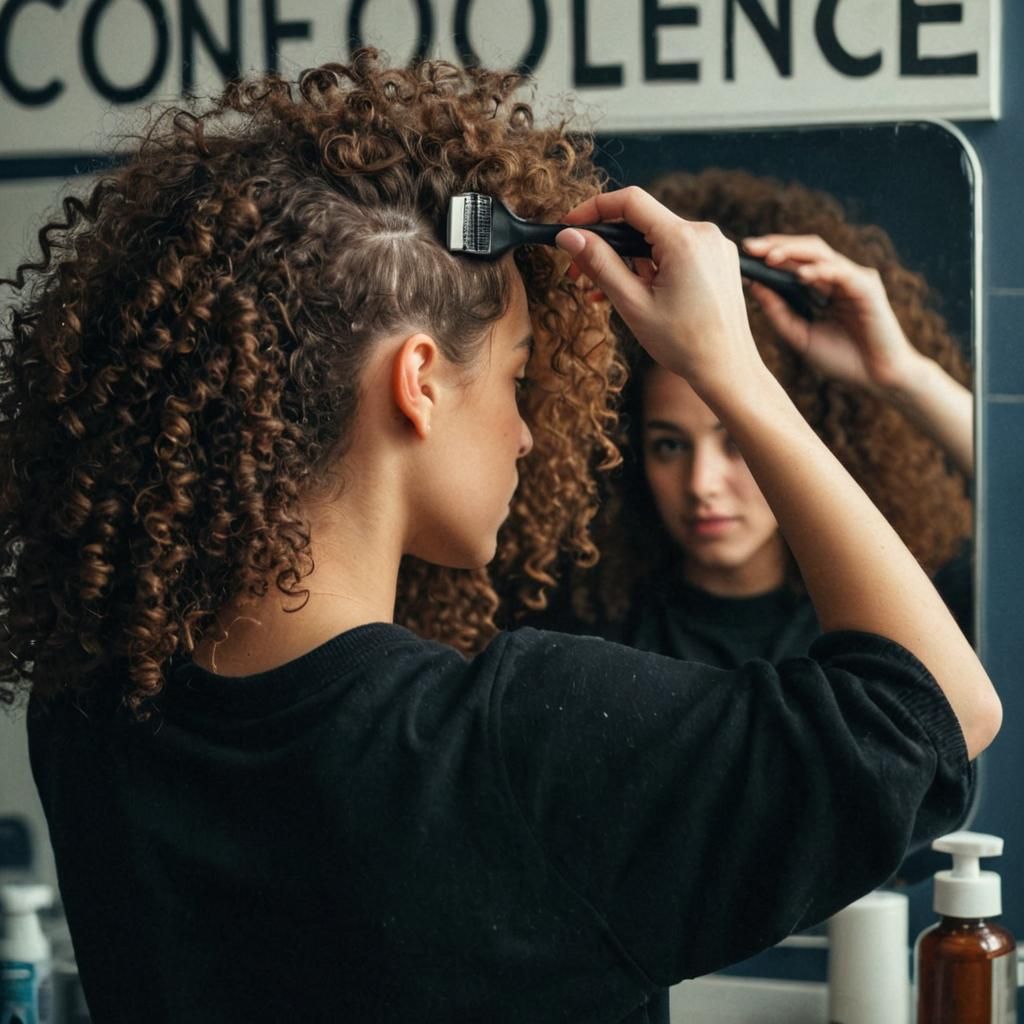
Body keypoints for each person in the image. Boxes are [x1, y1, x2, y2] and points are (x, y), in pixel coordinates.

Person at [0, 54, 999, 1024]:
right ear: (419, 379)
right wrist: (732, 370)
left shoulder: (88, 706)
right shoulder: (525, 748)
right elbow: (939, 711)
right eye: (519, 374)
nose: (528, 431)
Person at [546, 169, 974, 666]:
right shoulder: (592, 635)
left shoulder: (907, 616)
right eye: (670, 445)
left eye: (737, 443)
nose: (702, 485)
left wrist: (903, 375)